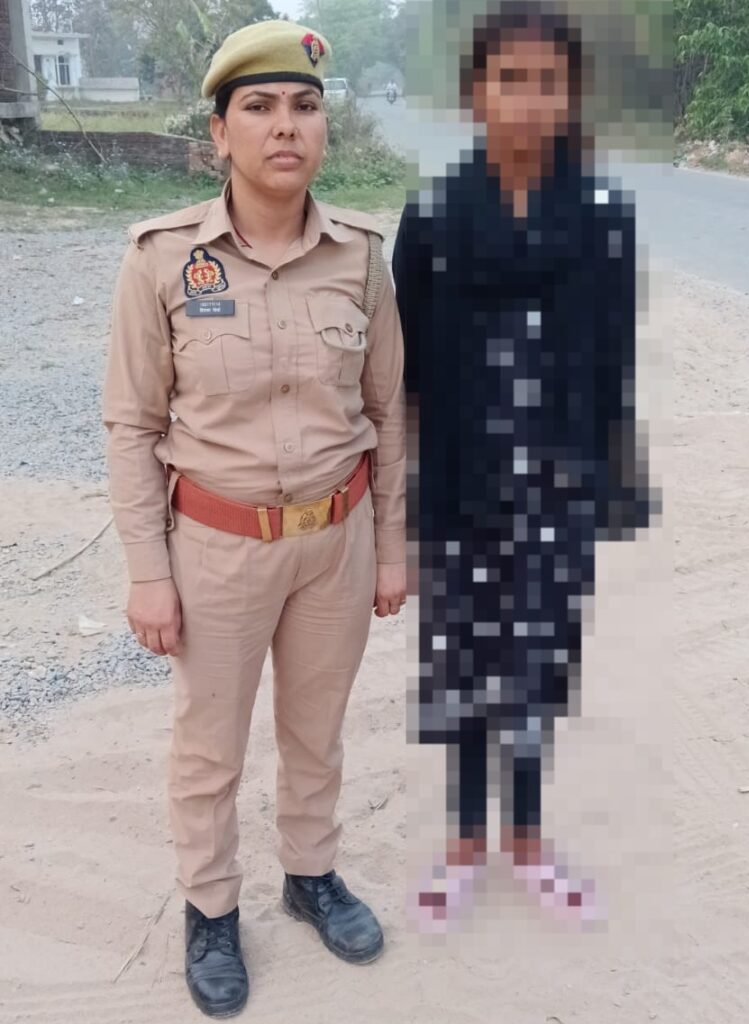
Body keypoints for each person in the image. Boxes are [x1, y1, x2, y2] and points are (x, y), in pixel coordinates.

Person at [103, 19, 406, 1018]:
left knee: (316, 731)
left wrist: (391, 550)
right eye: (259, 107)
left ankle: (310, 876)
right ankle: (211, 907)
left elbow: (387, 414)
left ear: (324, 126)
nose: (286, 126)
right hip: (217, 548)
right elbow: (132, 423)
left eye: (304, 107)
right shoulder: (162, 261)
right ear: (219, 133)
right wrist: (149, 571)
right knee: (210, 747)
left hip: (336, 544)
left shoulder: (362, 258)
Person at [393, 1, 654, 931]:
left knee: (538, 663)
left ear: (569, 94)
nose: (529, 99)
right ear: (476, 92)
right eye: (510, 79)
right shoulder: (431, 219)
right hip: (459, 483)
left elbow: (615, 366)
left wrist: (608, 481)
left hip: (559, 485)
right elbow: (406, 374)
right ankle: (466, 841)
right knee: (463, 664)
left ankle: (530, 842)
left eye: (548, 82)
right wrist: (410, 496)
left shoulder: (603, 219)